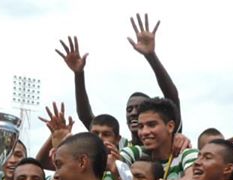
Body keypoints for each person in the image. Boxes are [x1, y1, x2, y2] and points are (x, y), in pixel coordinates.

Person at [56, 12, 180, 146]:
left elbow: (171, 97)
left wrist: (151, 56)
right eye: (129, 109)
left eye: (139, 108)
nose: (133, 113)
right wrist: (78, 75)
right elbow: (86, 117)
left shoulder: (171, 142)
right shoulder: (121, 146)